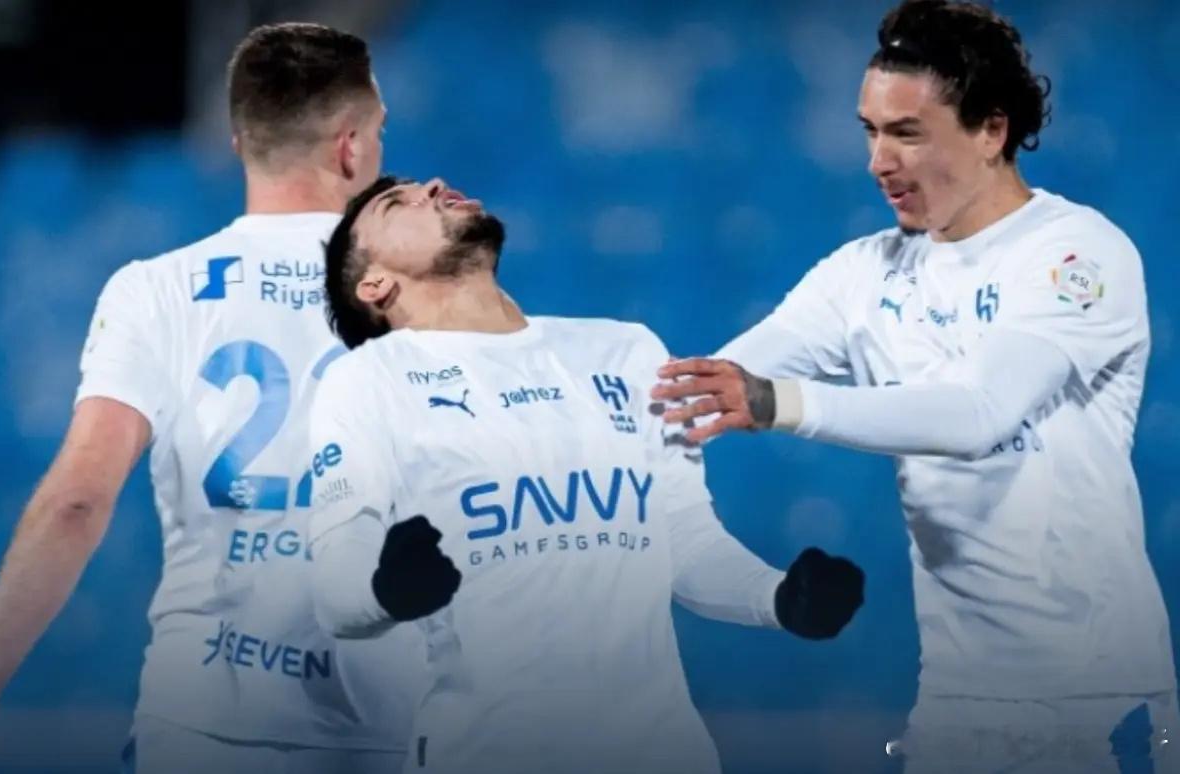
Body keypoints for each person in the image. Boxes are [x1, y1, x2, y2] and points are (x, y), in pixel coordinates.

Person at [653, 1, 1177, 770]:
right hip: (957, 707)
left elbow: (979, 415)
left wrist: (776, 402)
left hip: (1097, 702)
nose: (878, 161)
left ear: (991, 130)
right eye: (870, 131)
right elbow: (706, 387)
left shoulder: (1075, 253)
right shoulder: (864, 273)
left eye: (907, 133)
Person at [0, 23, 424, 774]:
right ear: (351, 146)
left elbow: (76, 501)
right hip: (383, 736)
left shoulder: (153, 291)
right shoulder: (430, 298)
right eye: (379, 131)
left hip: (200, 732)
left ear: (240, 142)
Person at [301, 174, 865, 774]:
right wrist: (385, 591)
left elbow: (683, 538)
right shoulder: (368, 381)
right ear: (375, 284)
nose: (434, 186)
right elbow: (336, 589)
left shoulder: (626, 351)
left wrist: (779, 598)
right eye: (397, 203)